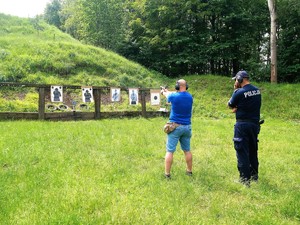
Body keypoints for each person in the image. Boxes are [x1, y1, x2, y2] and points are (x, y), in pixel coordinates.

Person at [228, 70, 262, 187]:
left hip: (242, 125)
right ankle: (254, 176)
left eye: (236, 80)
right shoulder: (257, 91)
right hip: (254, 125)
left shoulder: (239, 92)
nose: (236, 82)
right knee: (253, 150)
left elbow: (230, 105)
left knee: (242, 151)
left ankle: (244, 180)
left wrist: (235, 90)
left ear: (240, 80)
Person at [161, 79, 193, 179]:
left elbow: (168, 96)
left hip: (175, 127)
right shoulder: (190, 97)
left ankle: (167, 174)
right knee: (187, 150)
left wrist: (163, 92)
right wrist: (168, 91)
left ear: (177, 87)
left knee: (170, 151)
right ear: (186, 86)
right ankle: (189, 171)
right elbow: (177, 95)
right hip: (187, 127)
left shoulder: (173, 96)